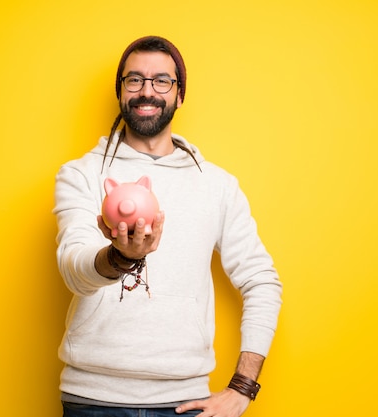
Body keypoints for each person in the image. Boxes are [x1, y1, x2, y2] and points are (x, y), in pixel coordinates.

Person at [53, 35, 282, 416]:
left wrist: (243, 386)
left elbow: (261, 280)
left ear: (179, 95)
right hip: (92, 401)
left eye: (162, 81)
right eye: (134, 80)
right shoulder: (81, 174)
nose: (148, 91)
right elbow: (73, 269)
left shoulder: (216, 184)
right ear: (121, 91)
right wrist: (119, 257)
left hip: (186, 403)